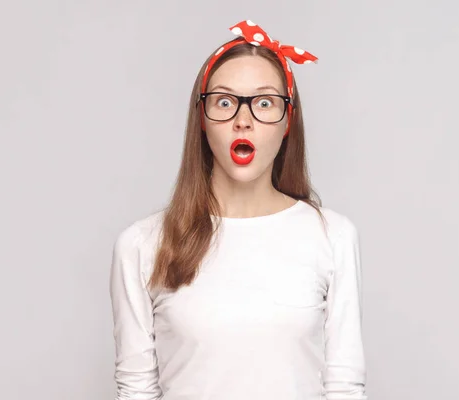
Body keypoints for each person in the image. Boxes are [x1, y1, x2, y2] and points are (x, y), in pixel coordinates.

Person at [109, 20, 368, 400]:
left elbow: (344, 388)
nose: (243, 120)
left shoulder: (333, 236)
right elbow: (136, 391)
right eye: (225, 102)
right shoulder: (141, 245)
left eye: (264, 103)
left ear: (287, 122)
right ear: (202, 118)